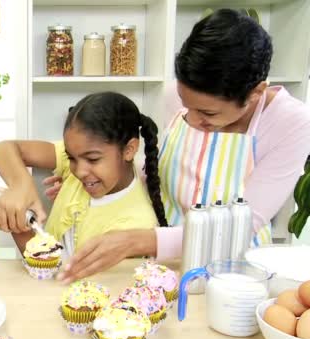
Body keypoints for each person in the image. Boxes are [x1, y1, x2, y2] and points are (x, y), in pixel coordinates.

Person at [44, 9, 310, 283]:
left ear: (255, 93)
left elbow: (242, 226)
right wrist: (86, 179)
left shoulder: (290, 123)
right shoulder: (178, 94)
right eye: (187, 106)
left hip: (233, 274)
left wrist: (140, 241)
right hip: (161, 268)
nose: (192, 119)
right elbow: (152, 170)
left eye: (208, 114)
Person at [0, 92, 167, 264]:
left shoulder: (135, 226)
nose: (79, 171)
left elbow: (65, 283)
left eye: (92, 159)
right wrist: (20, 187)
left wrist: (18, 227)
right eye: (71, 158)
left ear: (129, 150)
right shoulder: (82, 157)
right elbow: (3, 149)